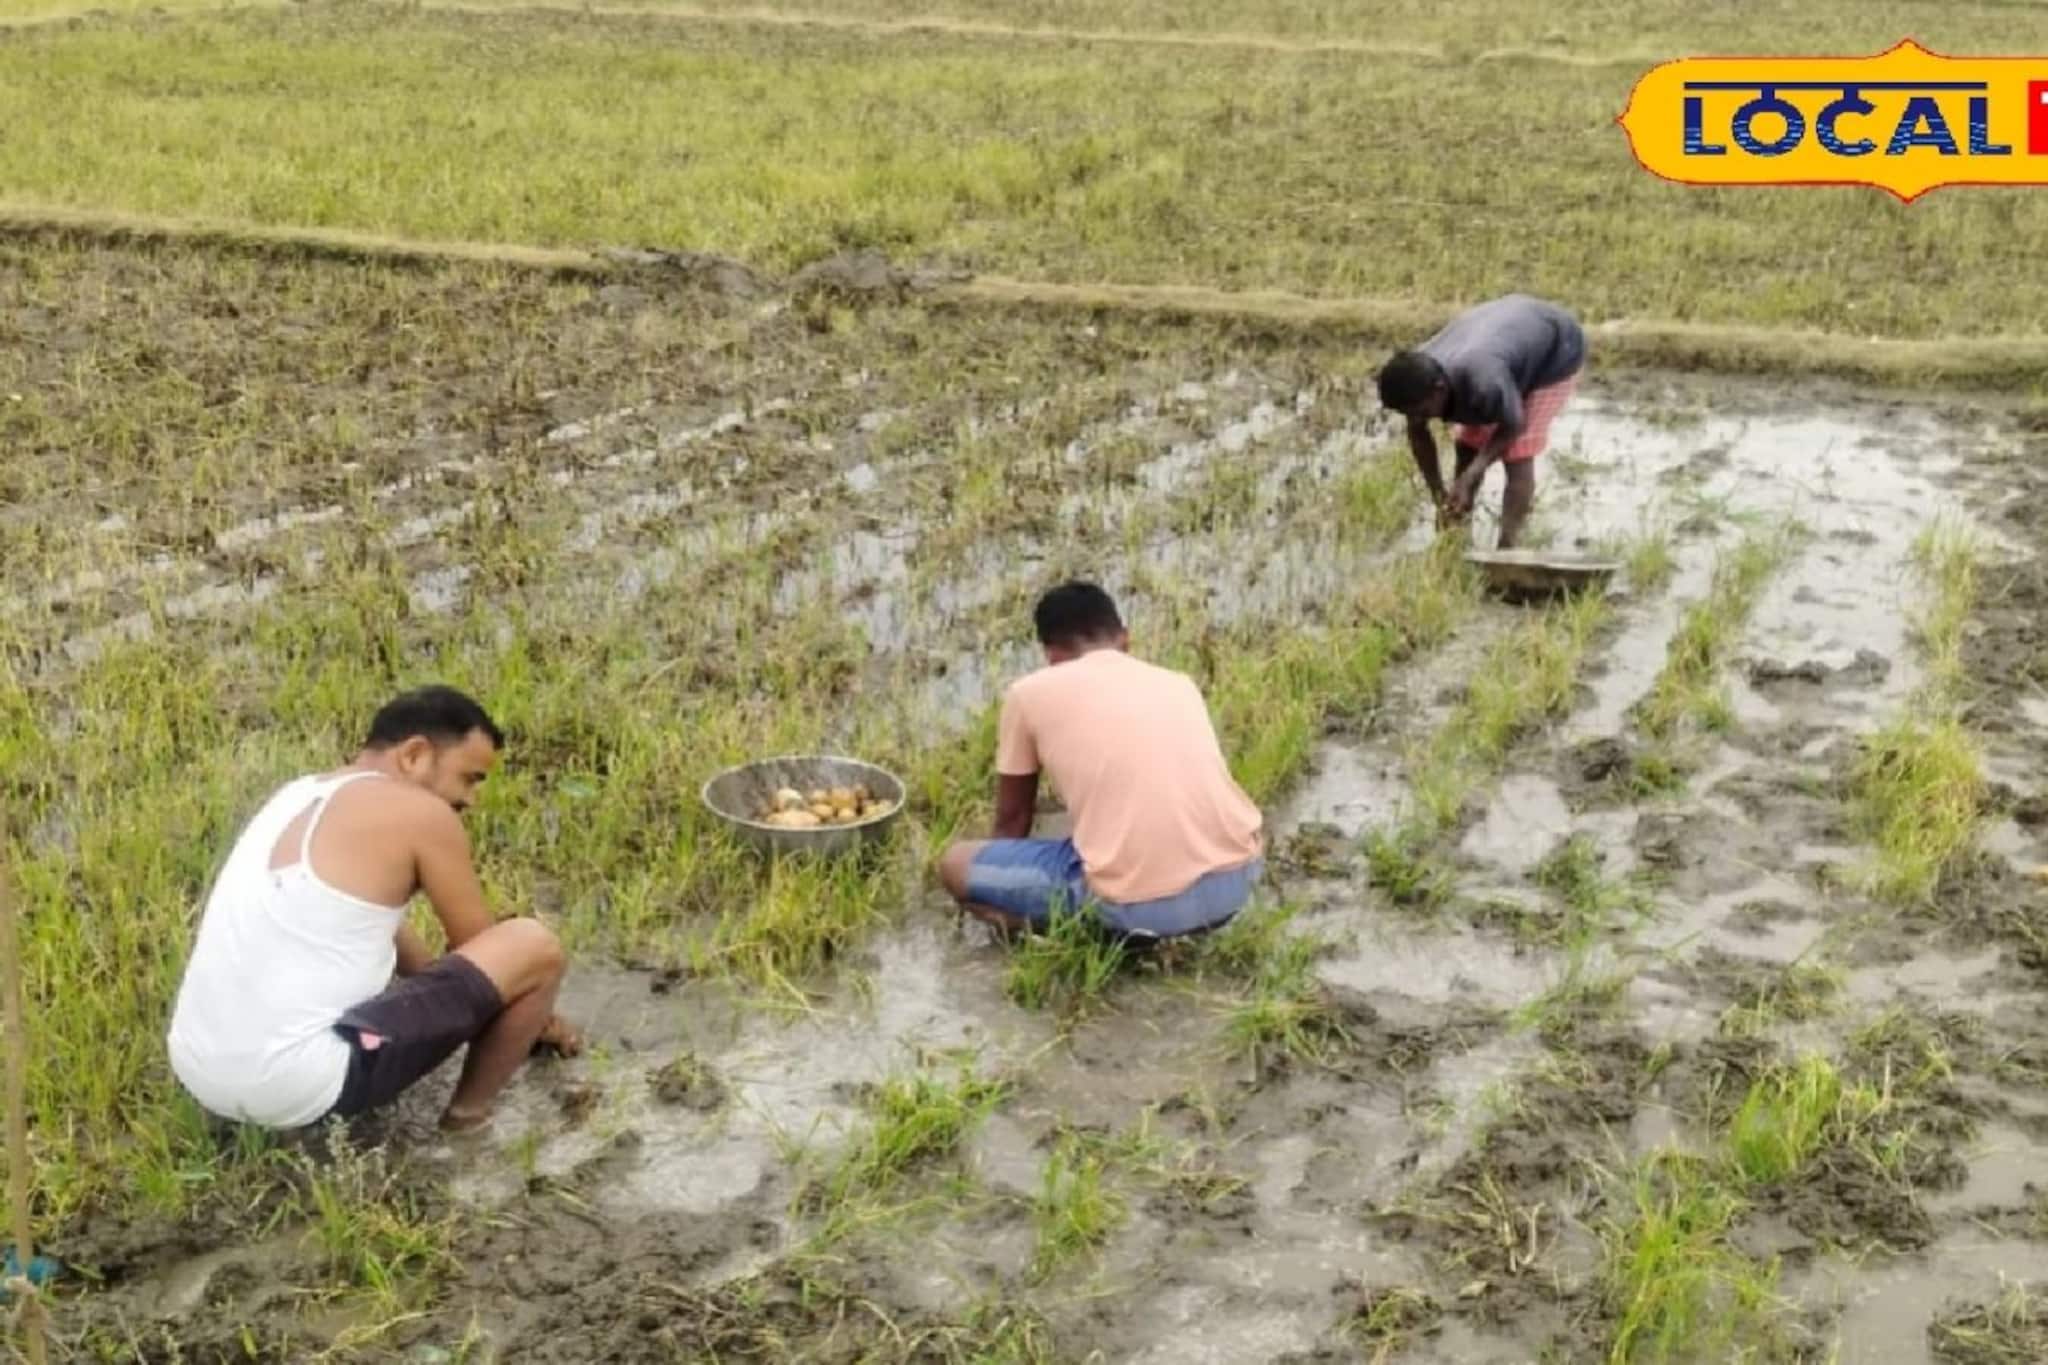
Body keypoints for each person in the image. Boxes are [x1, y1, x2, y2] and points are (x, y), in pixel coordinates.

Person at [168, 685, 578, 1135]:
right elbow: (485, 953)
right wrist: (538, 1020)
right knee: (534, 946)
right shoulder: (421, 813)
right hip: (291, 1089)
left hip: (197, 1069)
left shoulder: (298, 794)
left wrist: (447, 989)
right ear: (415, 754)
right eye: (469, 778)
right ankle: (467, 1120)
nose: (470, 800)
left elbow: (389, 933)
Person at [938, 582, 1265, 941]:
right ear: (1125, 640)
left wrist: (995, 875)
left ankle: (1097, 939)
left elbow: (1013, 820)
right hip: (1237, 884)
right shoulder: (1178, 683)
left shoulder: (1028, 694)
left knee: (956, 864)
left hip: (1138, 907)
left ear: (1051, 654)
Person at [1375, 293, 1587, 550]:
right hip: (1502, 340)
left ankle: (1508, 549)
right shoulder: (1413, 378)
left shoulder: (1483, 380)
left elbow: (1513, 425)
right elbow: (1419, 435)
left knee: (1518, 452)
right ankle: (1454, 535)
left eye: (1421, 410)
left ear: (1439, 389)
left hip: (1555, 351)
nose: (1417, 417)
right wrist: (1438, 495)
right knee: (1467, 447)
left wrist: (1473, 473)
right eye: (1409, 413)